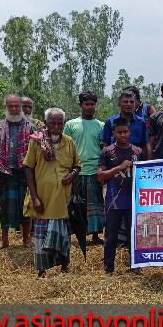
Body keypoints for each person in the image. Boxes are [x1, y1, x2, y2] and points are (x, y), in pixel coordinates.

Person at [25, 108, 82, 278]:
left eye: (59, 123)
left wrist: (72, 174)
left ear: (64, 124)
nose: (56, 127)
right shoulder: (36, 142)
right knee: (41, 237)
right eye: (52, 123)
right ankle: (42, 271)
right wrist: (34, 198)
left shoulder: (68, 141)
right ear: (46, 123)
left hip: (63, 200)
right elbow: (28, 169)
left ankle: (64, 267)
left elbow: (77, 165)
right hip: (44, 198)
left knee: (64, 236)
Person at [98, 117, 144, 276]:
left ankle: (135, 266)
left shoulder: (138, 151)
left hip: (133, 202)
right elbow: (100, 176)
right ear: (113, 134)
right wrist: (119, 167)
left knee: (134, 236)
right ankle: (109, 268)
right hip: (113, 201)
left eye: (126, 132)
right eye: (119, 132)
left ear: (130, 132)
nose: (123, 135)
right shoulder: (107, 151)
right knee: (110, 236)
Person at [0, 94, 36, 250]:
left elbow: (36, 152)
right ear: (6, 107)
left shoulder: (30, 127)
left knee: (26, 206)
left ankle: (26, 240)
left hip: (25, 173)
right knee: (5, 207)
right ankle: (4, 240)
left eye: (17, 106)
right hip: (5, 173)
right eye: (11, 106)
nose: (15, 109)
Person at [63, 91, 105, 244]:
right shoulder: (71, 124)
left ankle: (95, 236)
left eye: (92, 104)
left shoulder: (101, 125)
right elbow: (65, 147)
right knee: (74, 204)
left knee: (95, 204)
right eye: (86, 104)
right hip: (76, 171)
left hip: (94, 170)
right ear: (80, 105)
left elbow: (103, 149)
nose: (89, 107)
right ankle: (71, 235)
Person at [101, 90, 150, 159]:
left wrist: (144, 163)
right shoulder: (111, 121)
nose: (129, 104)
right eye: (125, 102)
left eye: (131, 102)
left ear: (135, 104)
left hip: (135, 161)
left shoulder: (141, 122)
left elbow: (144, 144)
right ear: (119, 104)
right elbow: (105, 143)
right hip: (114, 162)